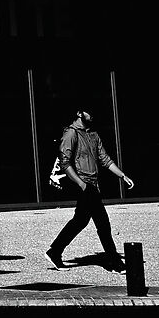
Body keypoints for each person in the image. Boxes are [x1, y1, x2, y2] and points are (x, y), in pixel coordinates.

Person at [45, 107, 134, 269]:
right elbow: (65, 163)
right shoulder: (71, 134)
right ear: (79, 113)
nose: (92, 115)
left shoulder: (93, 134)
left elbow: (104, 158)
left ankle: (55, 251)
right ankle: (115, 262)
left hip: (93, 184)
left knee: (80, 221)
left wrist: (122, 175)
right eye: (89, 111)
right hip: (84, 184)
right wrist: (81, 184)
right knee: (103, 223)